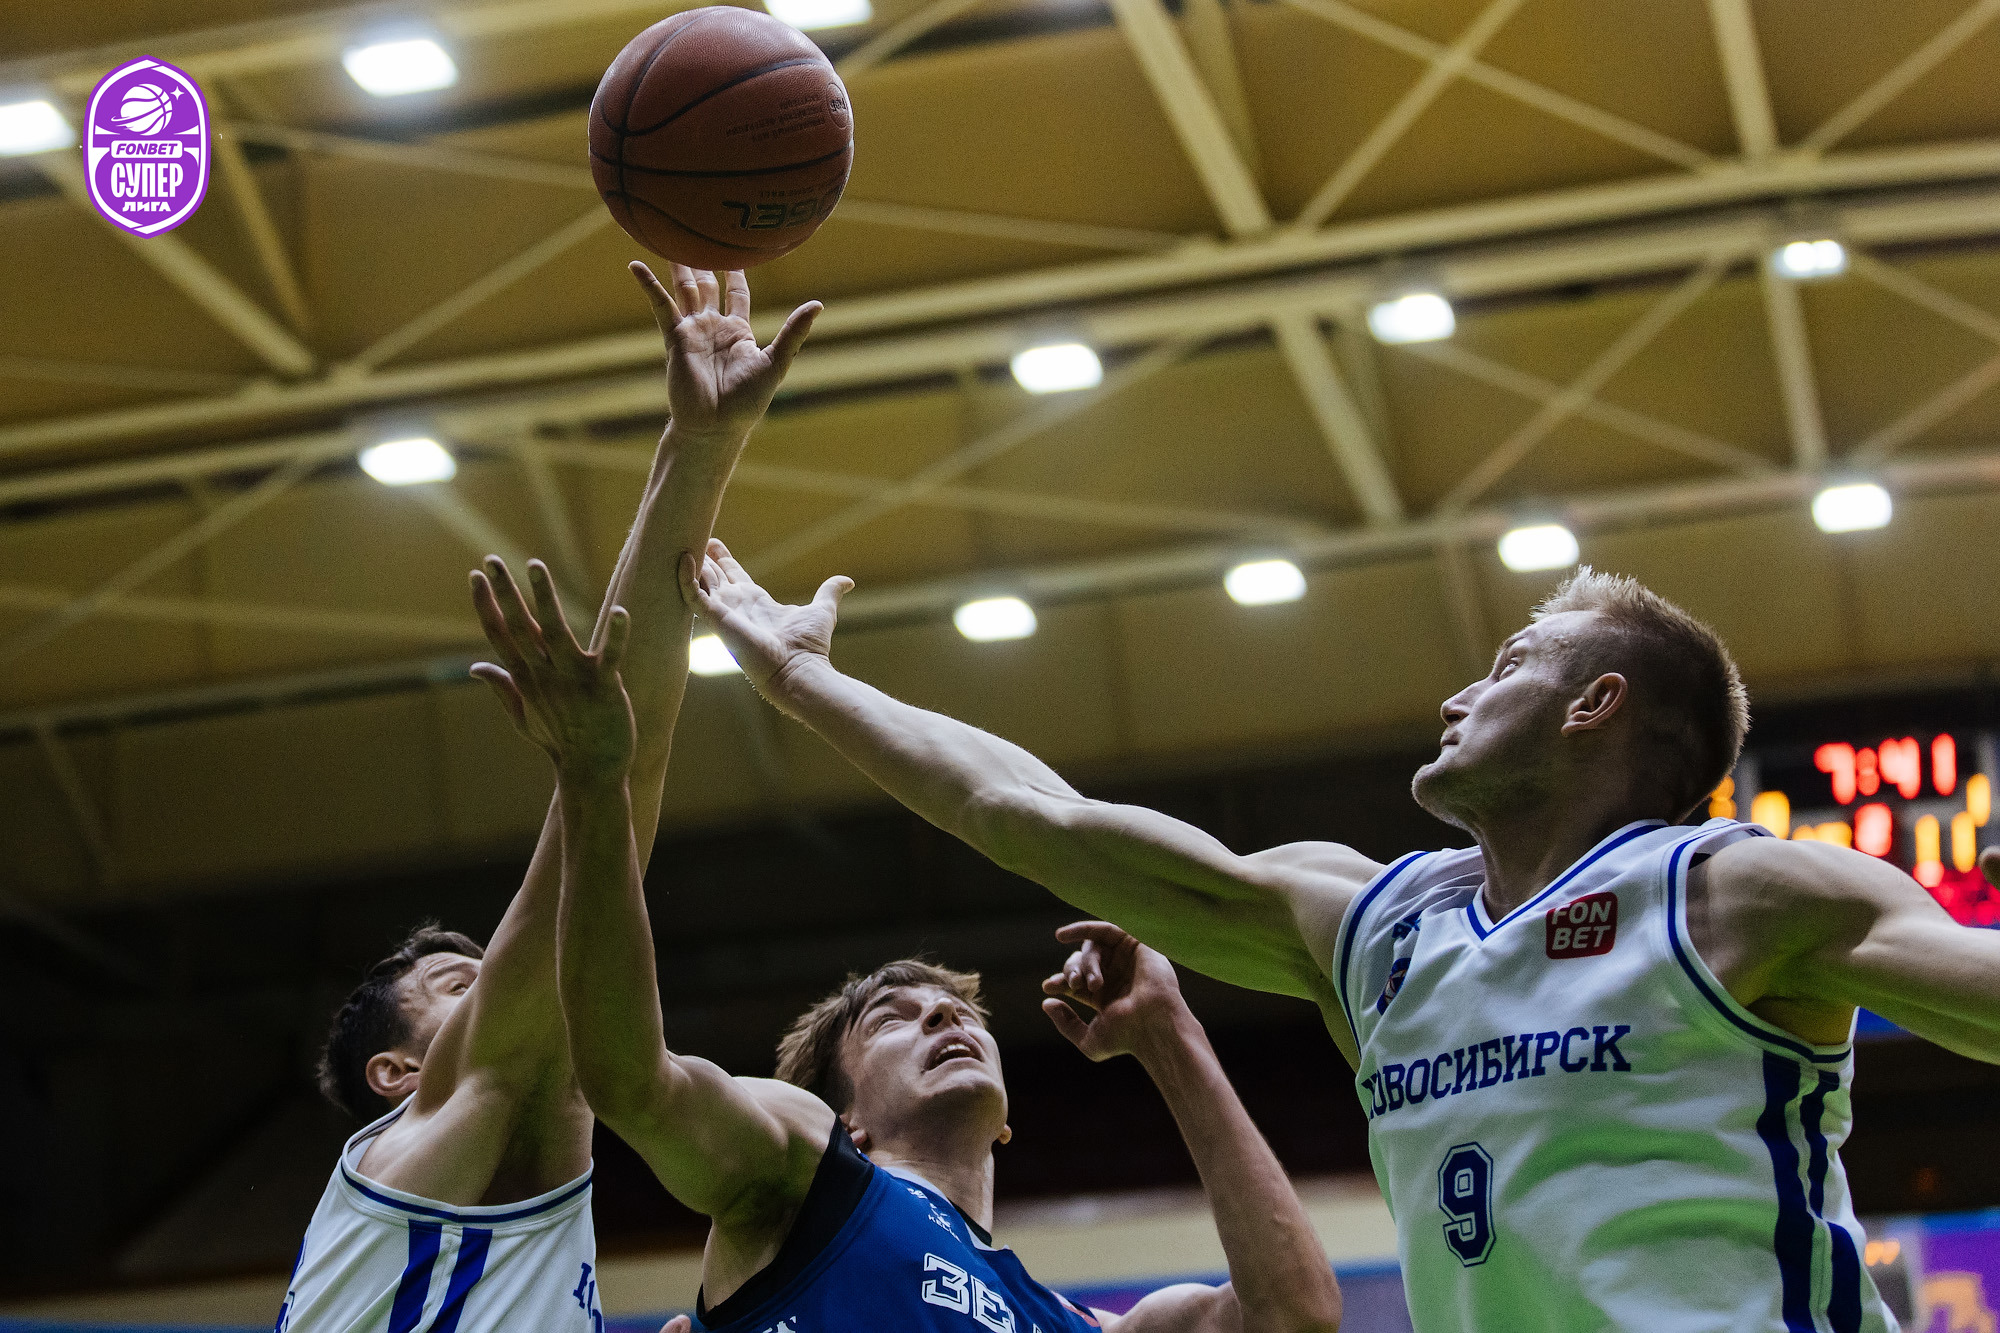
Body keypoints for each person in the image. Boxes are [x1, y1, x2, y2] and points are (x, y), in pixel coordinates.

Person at [678, 546, 2000, 1331]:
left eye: (1509, 663)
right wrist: (801, 678)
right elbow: (1032, 817)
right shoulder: (1371, 924)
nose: (1457, 693)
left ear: (1594, 704)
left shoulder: (1736, 892)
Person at [463, 559, 1343, 1333]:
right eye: (894, 1016)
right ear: (847, 1116)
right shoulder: (806, 1170)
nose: (944, 1016)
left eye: (958, 1010)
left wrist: (1169, 1031)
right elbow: (630, 1078)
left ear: (1007, 1121)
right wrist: (596, 785)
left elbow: (1293, 1313)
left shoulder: (1075, 1321)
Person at [275, 263, 820, 1333]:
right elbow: (616, 789)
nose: (518, 973)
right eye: (465, 981)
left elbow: (618, 786)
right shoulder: (451, 1120)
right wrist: (698, 447)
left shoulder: (489, 1190)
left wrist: (697, 445)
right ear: (398, 1073)